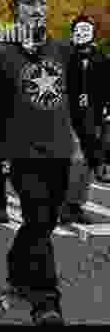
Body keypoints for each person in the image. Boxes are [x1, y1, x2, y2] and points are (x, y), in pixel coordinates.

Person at [0, 0, 78, 325]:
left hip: (60, 152)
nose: (37, 8)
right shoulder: (0, 55)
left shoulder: (62, 50)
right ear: (15, 9)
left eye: (41, 2)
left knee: (42, 224)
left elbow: (75, 104)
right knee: (36, 217)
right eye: (28, 3)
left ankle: (17, 270)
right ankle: (46, 302)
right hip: (22, 155)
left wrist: (91, 149)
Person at [63, 15, 106, 225]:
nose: (82, 33)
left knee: (88, 162)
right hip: (69, 117)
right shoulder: (65, 55)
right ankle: (65, 205)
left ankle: (77, 205)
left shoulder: (100, 57)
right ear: (72, 34)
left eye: (86, 30)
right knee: (76, 160)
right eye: (78, 30)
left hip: (93, 118)